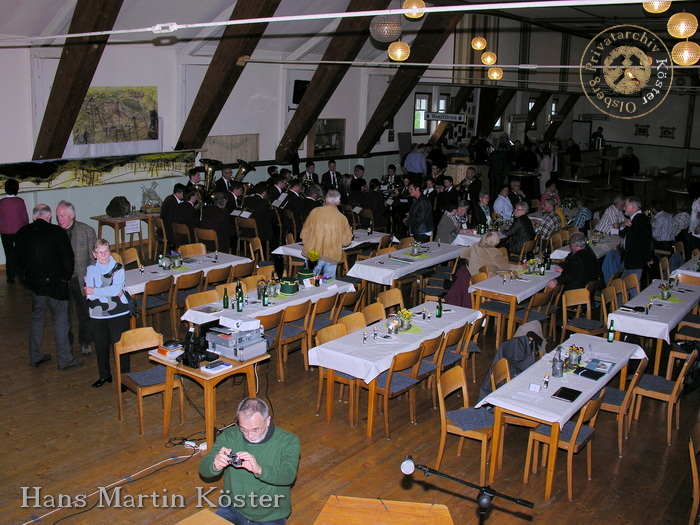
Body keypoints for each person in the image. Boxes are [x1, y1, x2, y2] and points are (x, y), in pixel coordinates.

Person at [199, 398, 300, 525]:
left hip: (271, 514)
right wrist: (214, 464)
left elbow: (288, 475)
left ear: (267, 421)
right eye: (244, 429)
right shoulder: (229, 436)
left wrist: (259, 469)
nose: (250, 436)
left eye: (256, 429)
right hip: (232, 508)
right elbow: (203, 469)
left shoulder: (288, 441)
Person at [15, 204, 82, 370]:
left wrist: (27, 281)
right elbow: (68, 260)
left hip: (35, 286)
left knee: (37, 319)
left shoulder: (22, 233)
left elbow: (17, 262)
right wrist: (65, 279)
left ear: (33, 216)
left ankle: (35, 356)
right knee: (61, 321)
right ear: (49, 216)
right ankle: (64, 360)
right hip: (57, 286)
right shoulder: (57, 233)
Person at [84, 238, 131, 388]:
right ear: (94, 254)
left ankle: (125, 378)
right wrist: (105, 292)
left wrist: (96, 291)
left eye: (106, 251)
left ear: (109, 252)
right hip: (97, 313)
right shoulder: (91, 269)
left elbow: (115, 290)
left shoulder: (118, 268)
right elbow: (89, 294)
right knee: (101, 345)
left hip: (118, 313)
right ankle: (104, 375)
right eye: (100, 252)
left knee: (120, 346)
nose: (103, 255)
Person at [56, 200, 97, 356]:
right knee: (63, 315)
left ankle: (85, 341)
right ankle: (67, 344)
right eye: (57, 215)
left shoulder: (87, 231)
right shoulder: (55, 233)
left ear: (71, 215)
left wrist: (92, 280)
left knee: (84, 313)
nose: (59, 218)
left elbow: (93, 259)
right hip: (62, 280)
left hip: (80, 279)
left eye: (62, 215)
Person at [299, 190, 352, 279]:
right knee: (328, 285)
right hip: (332, 255)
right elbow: (346, 241)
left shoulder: (315, 211)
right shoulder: (342, 218)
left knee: (309, 282)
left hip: (313, 253)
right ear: (338, 202)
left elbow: (304, 233)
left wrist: (308, 243)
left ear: (326, 199)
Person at [619, 195, 653, 293]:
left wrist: (647, 257)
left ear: (633, 207)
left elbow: (645, 241)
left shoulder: (640, 220)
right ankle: (621, 305)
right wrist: (623, 225)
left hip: (635, 260)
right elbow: (622, 233)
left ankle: (630, 306)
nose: (624, 208)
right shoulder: (634, 219)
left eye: (626, 205)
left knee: (632, 287)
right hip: (630, 259)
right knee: (623, 286)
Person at [0, 178, 29, 283]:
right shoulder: (20, 201)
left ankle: (10, 276)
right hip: (19, 231)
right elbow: (25, 217)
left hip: (5, 232)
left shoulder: (1, 202)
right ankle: (22, 274)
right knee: (20, 253)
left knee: (9, 254)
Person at [160, 183, 185, 247]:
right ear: (179, 193)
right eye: (183, 193)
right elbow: (175, 219)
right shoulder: (172, 203)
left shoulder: (169, 198)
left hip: (164, 228)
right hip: (169, 231)